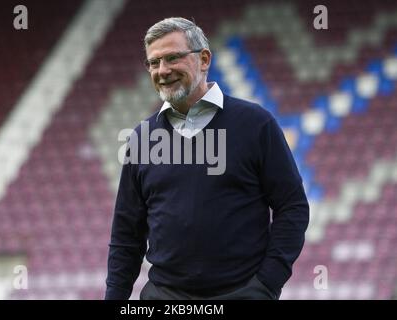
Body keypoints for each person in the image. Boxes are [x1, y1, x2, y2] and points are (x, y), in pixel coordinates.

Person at [105, 17, 309, 300]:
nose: (163, 70)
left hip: (241, 293)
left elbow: (293, 206)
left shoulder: (256, 124)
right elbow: (127, 234)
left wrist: (267, 284)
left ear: (204, 59)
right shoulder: (142, 137)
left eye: (172, 58)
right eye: (154, 62)